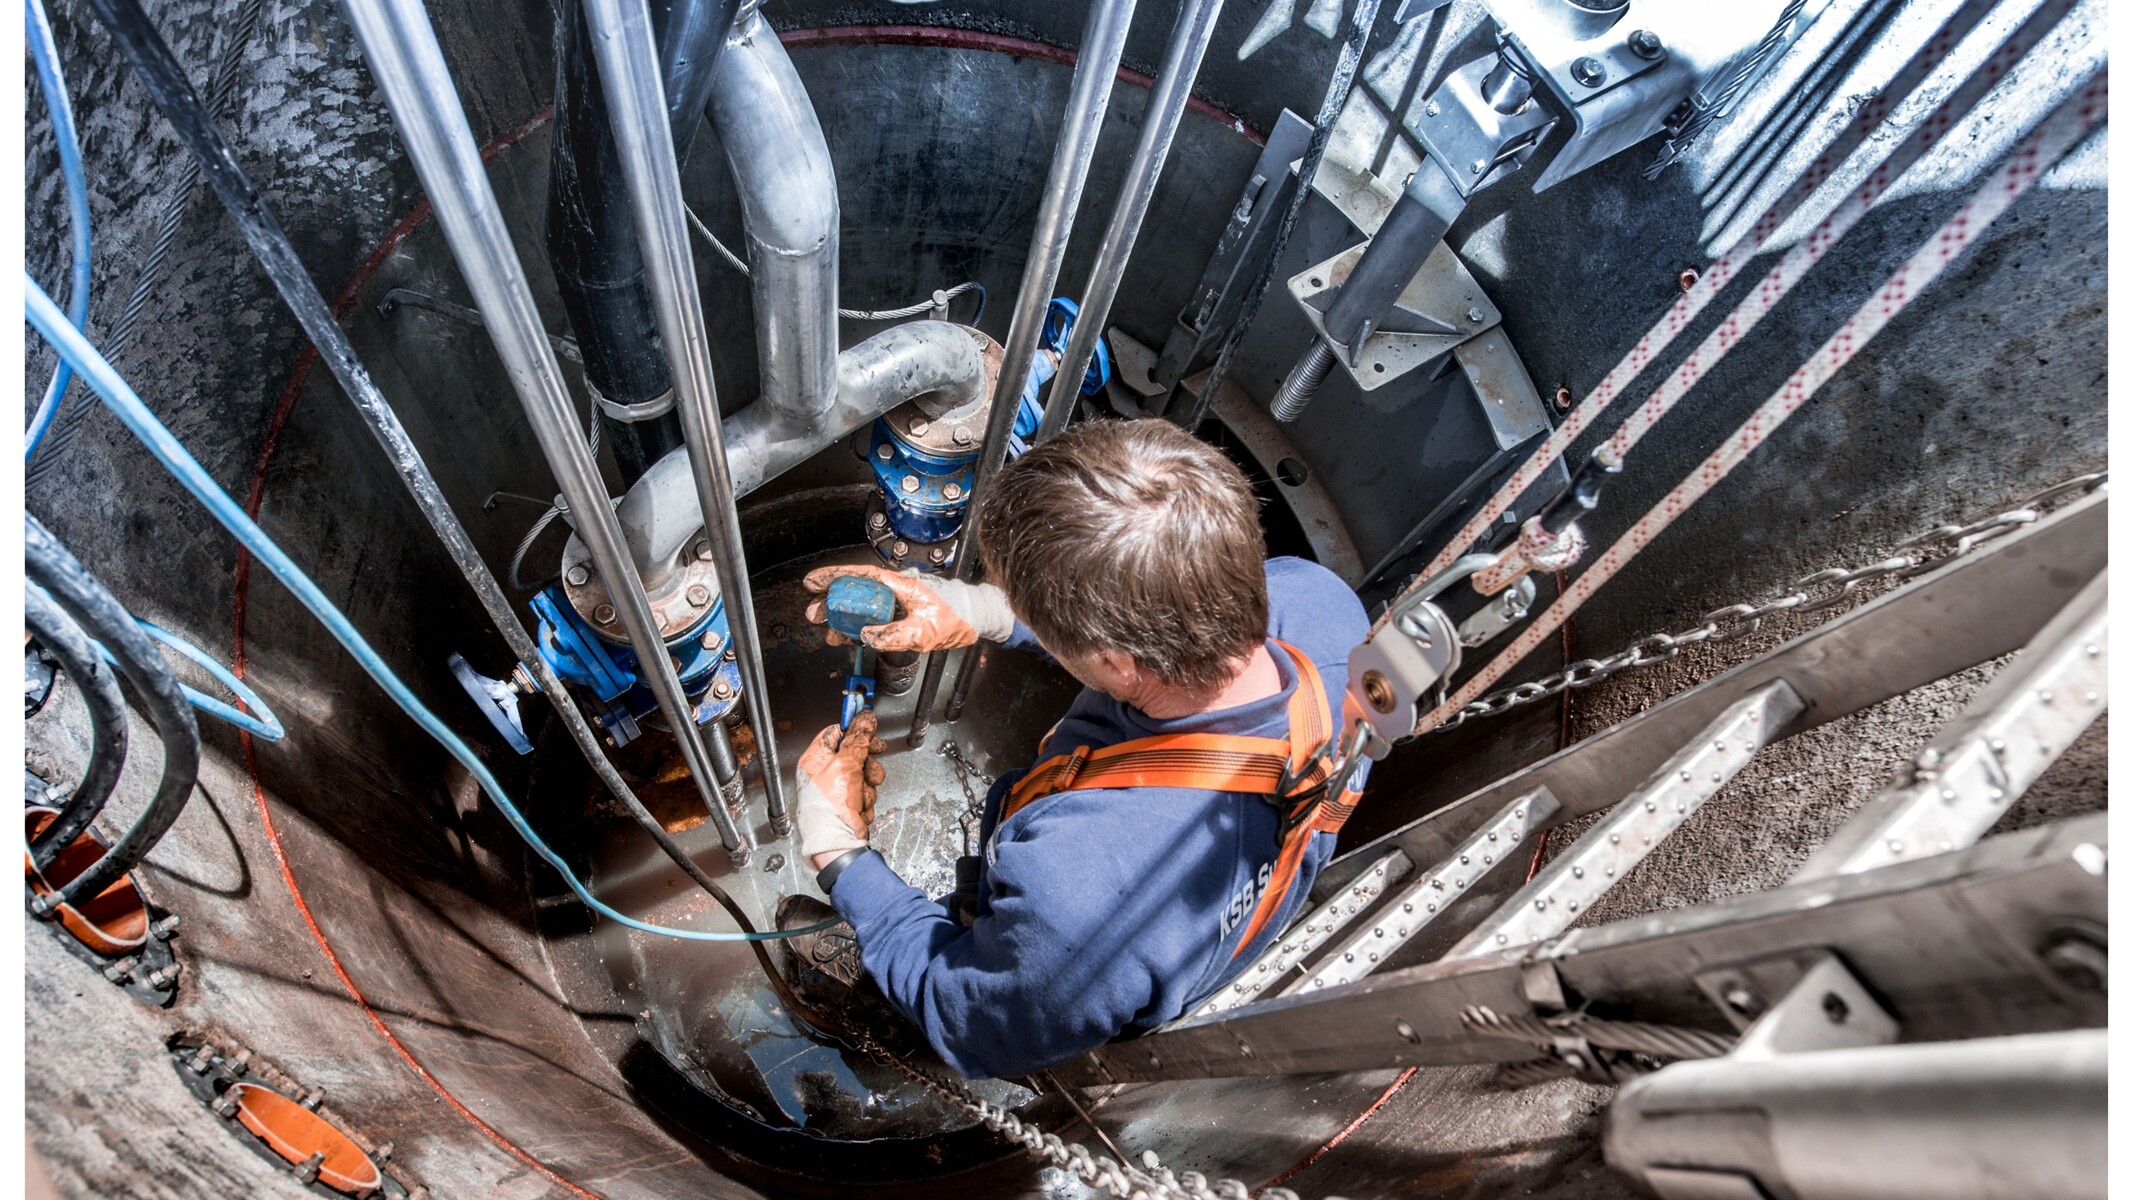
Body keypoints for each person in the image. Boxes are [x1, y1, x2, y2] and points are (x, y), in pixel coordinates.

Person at [784, 418, 1370, 1080]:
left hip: (1065, 989)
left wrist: (841, 855)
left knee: (947, 1013)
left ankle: (896, 1035)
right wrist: (981, 611)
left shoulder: (1079, 895)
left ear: (1117, 664)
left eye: (1045, 624)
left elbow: (967, 1016)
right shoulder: (1319, 603)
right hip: (1170, 927)